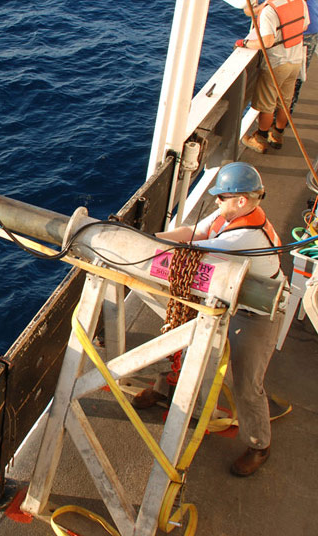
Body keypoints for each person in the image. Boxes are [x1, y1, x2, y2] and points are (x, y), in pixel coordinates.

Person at [134, 162, 285, 476]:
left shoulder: (245, 238)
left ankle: (259, 445)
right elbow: (193, 232)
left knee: (246, 384)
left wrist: (143, 250)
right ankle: (167, 389)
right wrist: (151, 238)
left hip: (254, 315)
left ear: (240, 201)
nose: (216, 201)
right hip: (224, 297)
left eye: (222, 197)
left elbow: (189, 251)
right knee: (182, 343)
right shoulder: (231, 216)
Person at [236, 0, 309, 153]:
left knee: (267, 104)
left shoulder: (269, 11)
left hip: (277, 63)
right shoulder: (300, 2)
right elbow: (304, 26)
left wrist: (245, 43)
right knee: (285, 101)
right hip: (296, 59)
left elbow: (267, 42)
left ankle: (260, 139)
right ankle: (277, 135)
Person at [291, 0, 318, 111]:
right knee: (297, 76)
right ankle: (285, 115)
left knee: (291, 78)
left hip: (297, 31)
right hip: (311, 28)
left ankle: (278, 119)